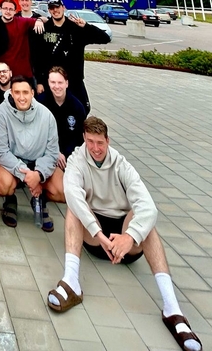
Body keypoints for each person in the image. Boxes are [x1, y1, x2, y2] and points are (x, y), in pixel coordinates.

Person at [47, 119, 203, 351]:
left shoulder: (122, 165)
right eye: (90, 142)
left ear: (108, 141)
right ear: (84, 139)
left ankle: (172, 309)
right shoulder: (76, 160)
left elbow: (149, 207)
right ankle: (71, 283)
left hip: (124, 235)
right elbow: (72, 192)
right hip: (96, 234)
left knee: (147, 223)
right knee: (74, 208)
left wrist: (129, 236)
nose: (95, 148)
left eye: (100, 142)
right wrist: (98, 233)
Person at [0, 76, 59, 231]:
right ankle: (10, 200)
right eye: (17, 92)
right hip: (13, 163)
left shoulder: (47, 115)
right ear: (11, 93)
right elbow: (0, 150)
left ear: (32, 93)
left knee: (61, 189)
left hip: (38, 163)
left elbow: (52, 152)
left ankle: (40, 200)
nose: (21, 97)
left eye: (25, 92)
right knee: (3, 185)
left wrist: (39, 174)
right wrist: (28, 175)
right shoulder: (2, 112)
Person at [33, 0, 110, 111]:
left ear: (63, 8)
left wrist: (86, 26)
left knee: (82, 110)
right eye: (52, 8)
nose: (55, 10)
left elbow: (105, 38)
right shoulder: (44, 28)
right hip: (51, 82)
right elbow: (38, 58)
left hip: (74, 81)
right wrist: (39, 81)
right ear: (49, 10)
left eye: (57, 7)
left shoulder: (75, 28)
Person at [38, 66, 86, 203]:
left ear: (66, 83)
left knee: (71, 193)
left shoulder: (77, 107)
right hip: (46, 152)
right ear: (48, 83)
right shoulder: (40, 103)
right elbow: (38, 134)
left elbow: (79, 138)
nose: (56, 86)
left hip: (68, 156)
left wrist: (65, 153)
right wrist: (55, 152)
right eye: (53, 82)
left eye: (60, 82)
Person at [0, 0, 34, 81]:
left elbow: (45, 20)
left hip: (22, 74)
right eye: (5, 8)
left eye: (11, 9)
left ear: (15, 11)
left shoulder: (22, 22)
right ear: (0, 9)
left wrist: (40, 20)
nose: (8, 11)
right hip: (2, 74)